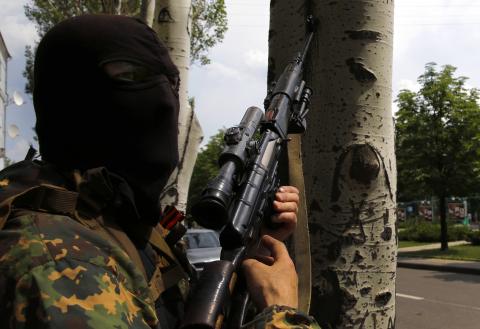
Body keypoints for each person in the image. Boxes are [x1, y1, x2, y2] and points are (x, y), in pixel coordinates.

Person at [0, 15, 320, 329]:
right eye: (131, 75)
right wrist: (282, 313)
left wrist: (249, 254)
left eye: (171, 83)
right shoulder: (57, 261)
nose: (165, 101)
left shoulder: (121, 225)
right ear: (69, 100)